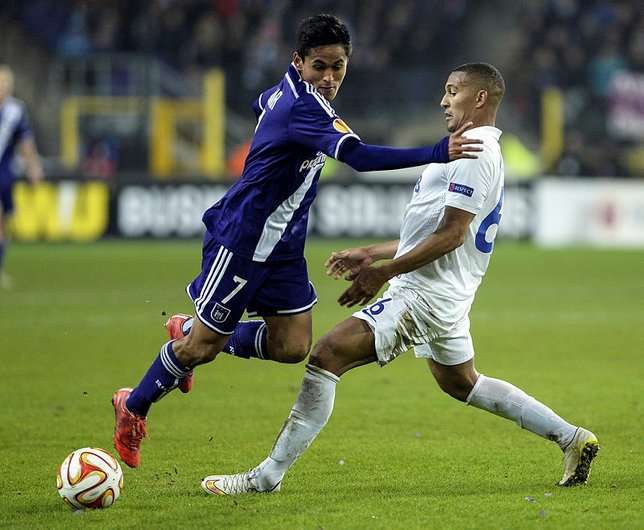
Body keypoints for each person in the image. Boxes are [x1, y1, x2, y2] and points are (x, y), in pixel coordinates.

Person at [200, 62, 600, 496]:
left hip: (426, 294)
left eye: (453, 91)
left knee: (328, 354)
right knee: (461, 382)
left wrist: (383, 273)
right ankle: (572, 438)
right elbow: (435, 230)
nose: (443, 100)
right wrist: (373, 252)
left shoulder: (474, 152)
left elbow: (452, 234)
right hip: (446, 291)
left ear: (480, 97)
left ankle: (265, 478)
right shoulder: (466, 149)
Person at [112, 14, 483, 468]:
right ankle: (134, 406)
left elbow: (262, 105)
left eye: (337, 67)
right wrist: (438, 151)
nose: (328, 78)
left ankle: (191, 330)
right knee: (201, 350)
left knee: (291, 346)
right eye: (319, 67)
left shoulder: (285, 96)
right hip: (243, 240)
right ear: (298, 62)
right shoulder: (303, 107)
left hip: (283, 247)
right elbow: (359, 158)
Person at [0, 65, 44, 289]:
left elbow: (25, 142)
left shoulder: (15, 111)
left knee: (3, 223)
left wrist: (33, 167)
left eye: (5, 84)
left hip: (4, 173)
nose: (2, 88)